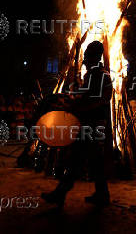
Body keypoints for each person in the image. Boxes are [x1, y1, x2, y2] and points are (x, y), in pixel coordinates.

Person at [41, 41, 113, 208]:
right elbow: (86, 97)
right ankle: (101, 195)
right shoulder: (93, 75)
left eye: (87, 56)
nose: (84, 60)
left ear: (95, 57)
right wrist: (71, 100)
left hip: (92, 126)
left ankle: (61, 193)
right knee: (91, 161)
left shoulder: (101, 76)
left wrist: (77, 105)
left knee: (77, 159)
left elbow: (100, 99)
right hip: (89, 124)